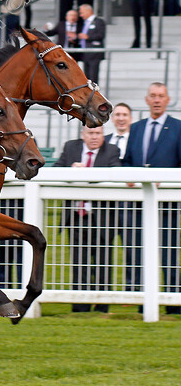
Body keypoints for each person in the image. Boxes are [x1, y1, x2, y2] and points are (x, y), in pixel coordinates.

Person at [123, 82, 181, 314]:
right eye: (153, 96)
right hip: (138, 202)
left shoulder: (178, 128)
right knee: (136, 249)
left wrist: (164, 180)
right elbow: (127, 160)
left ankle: (173, 301)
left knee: (167, 249)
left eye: (161, 96)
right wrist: (128, 176)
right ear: (147, 100)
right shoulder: (136, 128)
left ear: (168, 100)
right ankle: (139, 298)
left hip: (166, 203)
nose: (157, 100)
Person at [54, 126, 120, 313]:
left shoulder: (112, 150)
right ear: (83, 135)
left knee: (102, 263)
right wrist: (72, 170)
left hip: (101, 218)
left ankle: (101, 306)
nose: (94, 137)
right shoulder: (70, 148)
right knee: (79, 262)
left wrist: (89, 174)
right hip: (76, 217)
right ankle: (80, 305)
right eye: (90, 133)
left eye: (98, 133)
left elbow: (116, 173)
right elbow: (56, 169)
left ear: (103, 135)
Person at [76, 4, 105, 84]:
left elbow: (100, 35)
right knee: (86, 77)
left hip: (94, 53)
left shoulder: (99, 21)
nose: (81, 15)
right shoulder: (84, 23)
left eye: (82, 13)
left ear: (88, 11)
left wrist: (87, 36)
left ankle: (94, 94)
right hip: (85, 53)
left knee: (93, 76)